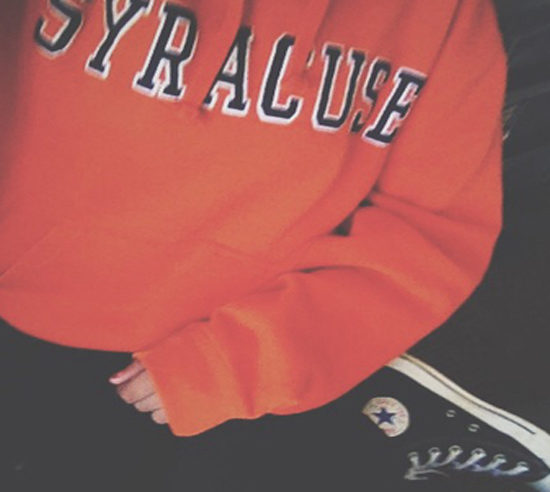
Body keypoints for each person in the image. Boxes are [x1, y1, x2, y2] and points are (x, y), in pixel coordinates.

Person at [0, 0, 537, 490]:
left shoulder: (447, 17)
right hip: (22, 318)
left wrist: (239, 363)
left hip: (256, 354)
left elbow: (429, 231)